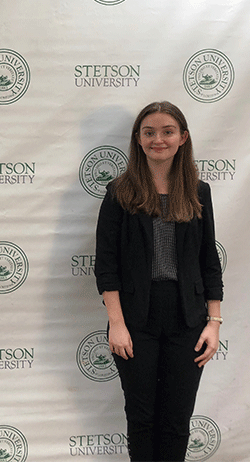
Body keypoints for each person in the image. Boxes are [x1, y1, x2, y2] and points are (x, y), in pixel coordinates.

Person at [94, 101, 223, 462]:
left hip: (188, 319)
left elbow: (208, 261)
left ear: (182, 138)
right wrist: (116, 324)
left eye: (167, 131)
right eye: (149, 132)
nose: (158, 139)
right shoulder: (119, 192)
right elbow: (106, 265)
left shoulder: (199, 192)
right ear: (138, 139)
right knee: (142, 419)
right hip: (136, 320)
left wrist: (214, 322)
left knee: (177, 420)